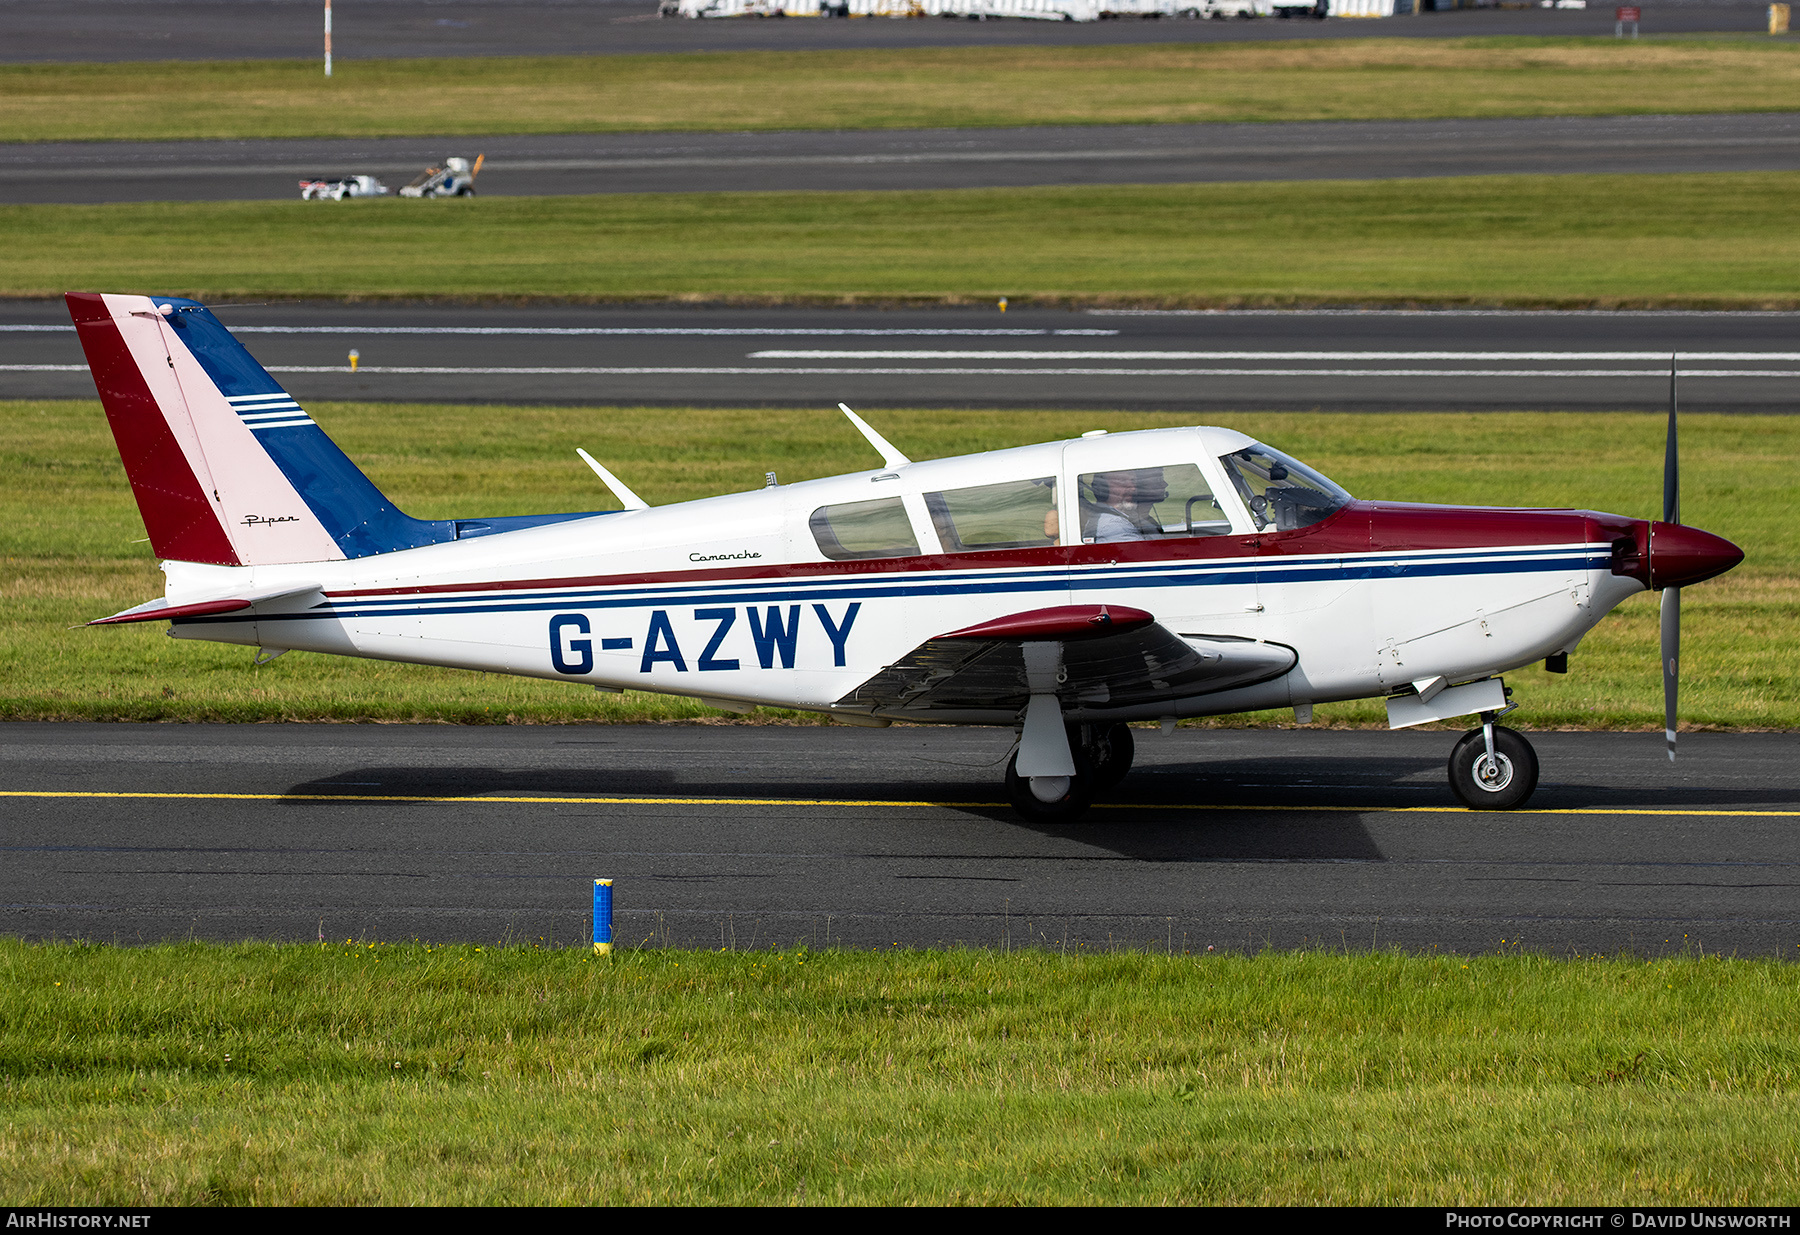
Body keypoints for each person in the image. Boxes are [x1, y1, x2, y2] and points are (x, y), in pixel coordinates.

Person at [1086, 469, 1169, 543]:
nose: (1133, 488)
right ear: (1103, 488)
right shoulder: (1113, 524)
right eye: (1123, 482)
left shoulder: (1131, 517)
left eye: (1133, 481)